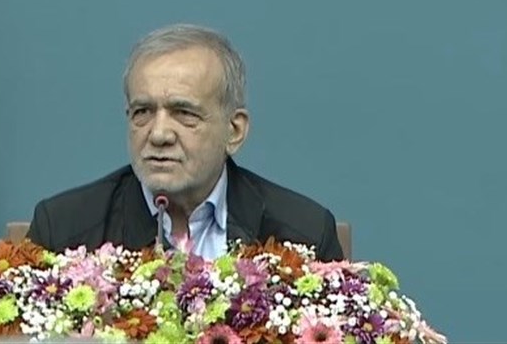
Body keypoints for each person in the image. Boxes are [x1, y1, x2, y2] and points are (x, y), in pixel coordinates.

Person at [27, 24, 344, 262]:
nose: (159, 134)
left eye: (184, 113)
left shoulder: (304, 234)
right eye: (142, 112)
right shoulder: (63, 231)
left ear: (234, 131)